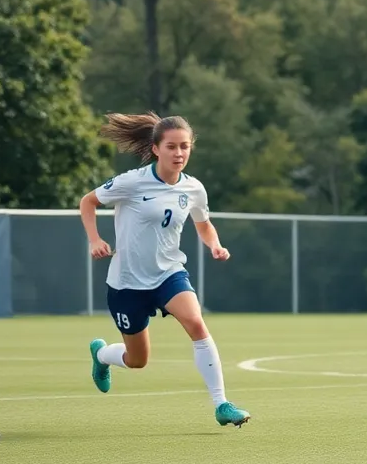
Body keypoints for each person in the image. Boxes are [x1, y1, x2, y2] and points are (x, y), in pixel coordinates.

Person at [80, 112, 250, 428]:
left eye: (184, 146)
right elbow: (87, 202)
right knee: (138, 360)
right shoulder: (131, 182)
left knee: (197, 324)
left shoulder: (194, 189)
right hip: (127, 283)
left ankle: (222, 404)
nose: (179, 153)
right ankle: (102, 356)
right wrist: (94, 240)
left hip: (168, 274)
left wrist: (214, 244)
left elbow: (204, 224)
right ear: (156, 149)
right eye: (172, 147)